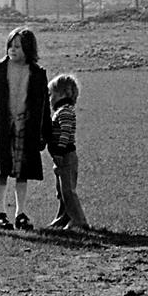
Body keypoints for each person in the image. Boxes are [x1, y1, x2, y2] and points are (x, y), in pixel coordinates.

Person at [0, 27, 52, 230]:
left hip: (27, 127)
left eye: (18, 46)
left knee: (22, 172)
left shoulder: (37, 73)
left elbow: (44, 105)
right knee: (2, 170)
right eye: (10, 45)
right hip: (3, 128)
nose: (12, 49)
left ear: (28, 48)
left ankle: (20, 213)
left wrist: (45, 132)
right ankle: (0, 213)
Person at [46, 74, 90, 231]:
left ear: (61, 94)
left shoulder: (65, 112)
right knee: (61, 191)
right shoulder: (62, 111)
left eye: (51, 95)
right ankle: (64, 216)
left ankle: (79, 219)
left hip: (65, 156)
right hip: (60, 157)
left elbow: (65, 133)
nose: (49, 99)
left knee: (68, 190)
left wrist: (59, 150)